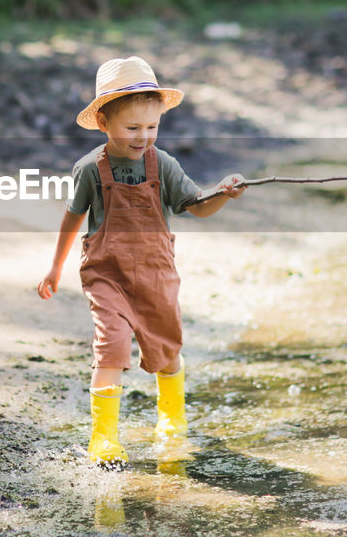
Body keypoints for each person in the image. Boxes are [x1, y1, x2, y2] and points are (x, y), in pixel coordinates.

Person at [37, 55, 246, 467]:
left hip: (156, 272)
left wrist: (222, 192)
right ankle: (104, 438)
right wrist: (56, 266)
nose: (143, 137)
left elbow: (196, 206)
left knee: (165, 350)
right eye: (132, 128)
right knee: (111, 348)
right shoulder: (90, 170)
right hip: (106, 274)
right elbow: (72, 219)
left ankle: (171, 418)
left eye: (152, 127)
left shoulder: (162, 164)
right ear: (104, 123)